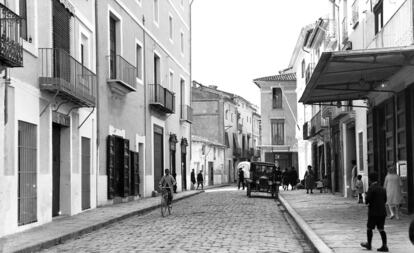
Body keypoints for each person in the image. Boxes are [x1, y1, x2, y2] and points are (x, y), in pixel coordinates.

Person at [361, 172, 389, 252]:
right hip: (382, 212)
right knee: (381, 229)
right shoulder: (382, 188)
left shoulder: (371, 188)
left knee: (369, 228)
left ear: (370, 179)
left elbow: (367, 200)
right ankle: (385, 245)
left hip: (373, 212)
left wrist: (366, 198)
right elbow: (385, 200)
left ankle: (369, 244)